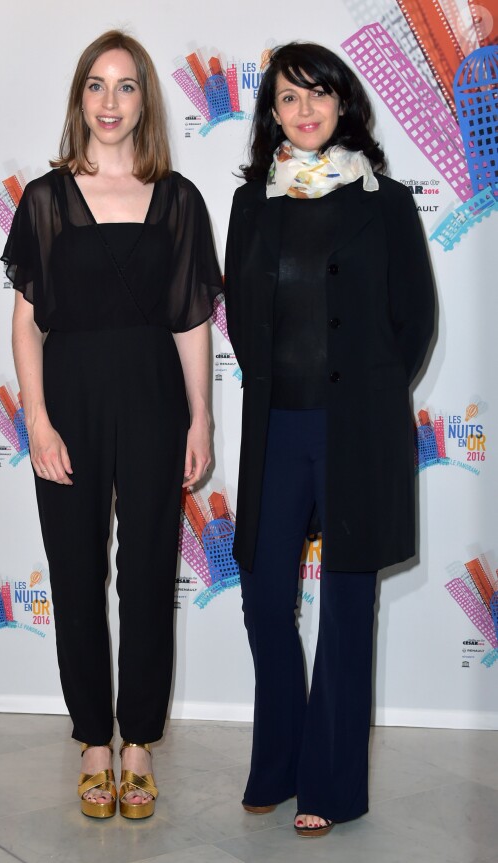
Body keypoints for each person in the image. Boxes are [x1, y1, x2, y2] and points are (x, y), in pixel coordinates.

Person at [4, 30, 221, 820]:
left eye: (126, 87)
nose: (109, 102)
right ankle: (93, 741)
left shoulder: (179, 199)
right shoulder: (46, 199)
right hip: (68, 398)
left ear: (145, 102)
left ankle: (138, 744)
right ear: (79, 98)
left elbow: (191, 322)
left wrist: (201, 415)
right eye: (96, 85)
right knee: (73, 571)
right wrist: (36, 416)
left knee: (146, 575)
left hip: (155, 396)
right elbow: (27, 324)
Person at [224, 42, 435, 837]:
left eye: (318, 95)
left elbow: (413, 320)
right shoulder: (253, 202)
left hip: (356, 431)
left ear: (343, 104)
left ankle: (331, 782)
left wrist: (373, 397)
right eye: (287, 97)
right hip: (277, 429)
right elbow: (242, 322)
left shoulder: (386, 202)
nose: (304, 109)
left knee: (348, 606)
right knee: (264, 600)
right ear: (271, 113)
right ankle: (277, 760)